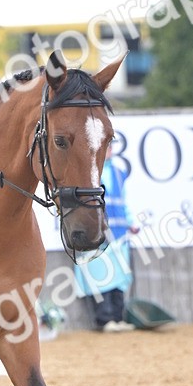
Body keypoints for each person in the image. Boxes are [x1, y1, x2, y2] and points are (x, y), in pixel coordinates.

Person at [74, 140, 140, 332]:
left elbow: (123, 202)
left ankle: (118, 317)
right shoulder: (88, 172)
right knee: (101, 275)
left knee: (118, 276)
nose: (109, 150)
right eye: (106, 147)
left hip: (119, 235)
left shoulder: (119, 173)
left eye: (110, 147)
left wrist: (131, 223)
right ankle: (104, 319)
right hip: (98, 235)